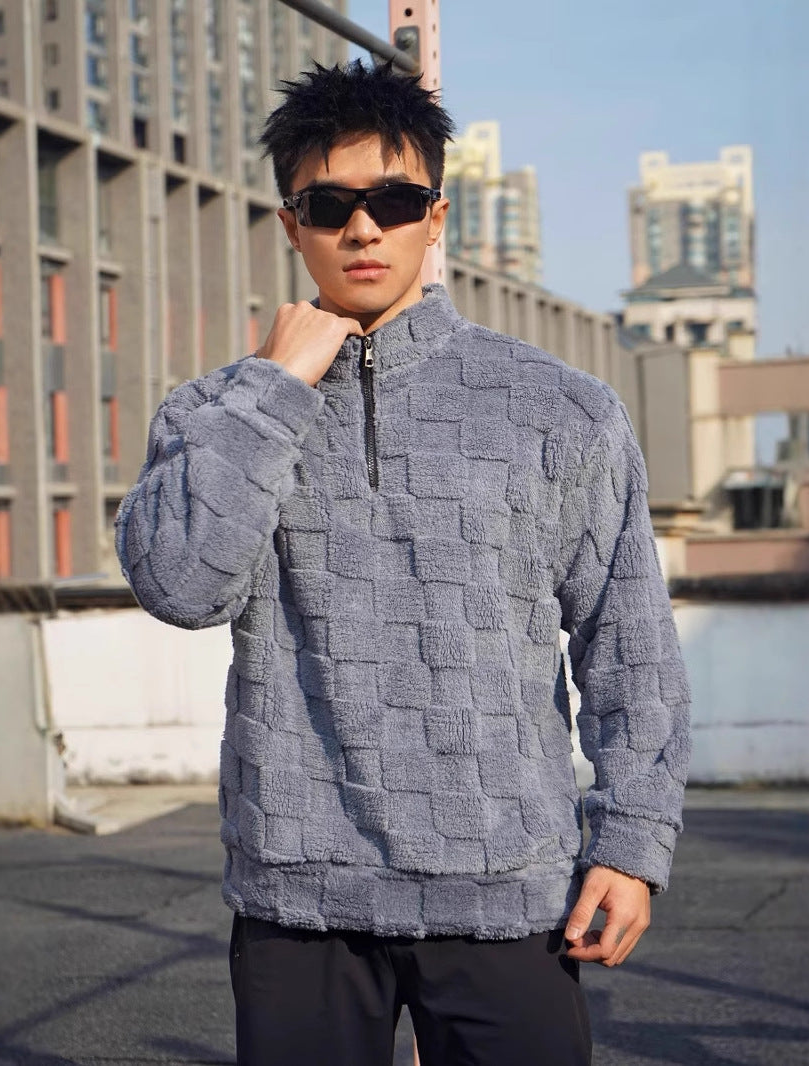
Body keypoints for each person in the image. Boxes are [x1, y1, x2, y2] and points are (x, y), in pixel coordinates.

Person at [115, 60, 690, 1066]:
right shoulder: (217, 412)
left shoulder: (560, 408)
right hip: (299, 898)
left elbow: (626, 639)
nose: (362, 228)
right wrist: (278, 387)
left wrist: (633, 842)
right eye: (328, 205)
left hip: (507, 890)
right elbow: (181, 586)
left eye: (392, 201)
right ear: (291, 224)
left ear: (436, 218)